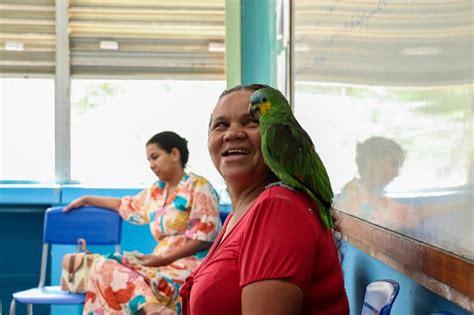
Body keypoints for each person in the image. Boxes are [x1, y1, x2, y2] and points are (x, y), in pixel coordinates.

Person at [180, 84, 349, 314]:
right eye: (221, 125)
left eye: (251, 121)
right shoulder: (239, 215)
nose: (233, 134)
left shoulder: (279, 208)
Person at [64, 131, 221, 315]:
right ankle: (153, 309)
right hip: (157, 266)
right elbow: (125, 204)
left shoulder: (198, 186)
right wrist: (87, 199)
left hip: (188, 271)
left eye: (155, 157)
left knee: (111, 276)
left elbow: (206, 238)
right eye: (148, 160)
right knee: (103, 265)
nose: (151, 165)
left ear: (175, 154)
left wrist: (162, 259)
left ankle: (152, 308)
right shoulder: (157, 191)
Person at [334, 136, 418, 230]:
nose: (396, 173)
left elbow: (409, 213)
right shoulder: (352, 193)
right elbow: (351, 232)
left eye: (398, 167)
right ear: (372, 161)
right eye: (393, 164)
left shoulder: (376, 194)